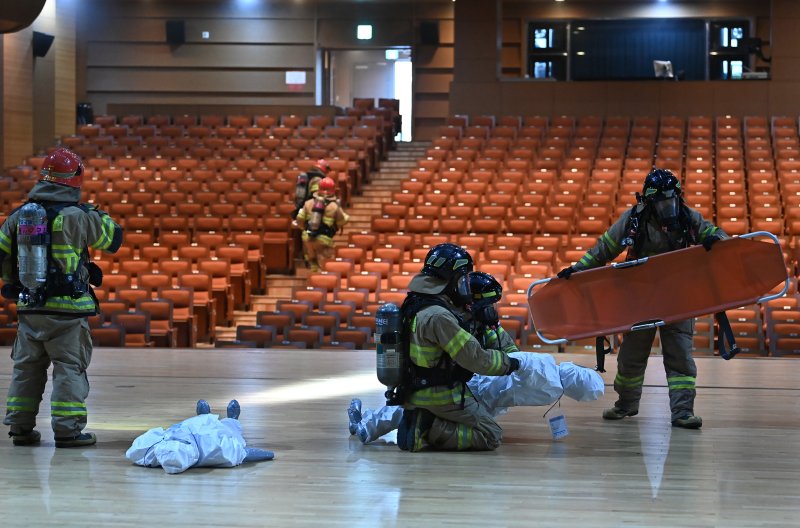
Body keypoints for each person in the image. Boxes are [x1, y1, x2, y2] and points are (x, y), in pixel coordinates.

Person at [557, 168, 727, 429]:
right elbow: (606, 247)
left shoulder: (686, 216)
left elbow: (713, 233)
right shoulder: (633, 219)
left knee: (680, 357)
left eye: (671, 200)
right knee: (631, 357)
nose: (668, 206)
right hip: (639, 299)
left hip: (678, 299)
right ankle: (625, 404)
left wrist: (716, 240)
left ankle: (682, 412)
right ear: (649, 201)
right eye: (662, 201)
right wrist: (578, 269)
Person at [347, 271, 604, 444]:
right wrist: (501, 356)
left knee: (413, 406)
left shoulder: (473, 321)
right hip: (460, 382)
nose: (493, 310)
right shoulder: (450, 321)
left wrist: (492, 330)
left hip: (472, 384)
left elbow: (508, 356)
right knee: (483, 433)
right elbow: (503, 360)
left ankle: (367, 425)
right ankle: (396, 428)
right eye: (489, 304)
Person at [0, 147, 123, 448]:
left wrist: (10, 283)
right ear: (76, 179)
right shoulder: (78, 216)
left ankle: (20, 428)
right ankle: (68, 431)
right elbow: (114, 238)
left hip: (30, 309)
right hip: (68, 313)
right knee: (69, 369)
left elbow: (1, 255)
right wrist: (93, 212)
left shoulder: (20, 216)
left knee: (26, 369)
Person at [375, 243, 521, 452]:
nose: (464, 286)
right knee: (490, 435)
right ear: (451, 279)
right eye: (462, 279)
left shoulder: (417, 302)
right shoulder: (439, 316)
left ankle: (425, 418)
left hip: (415, 388)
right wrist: (510, 363)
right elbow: (476, 358)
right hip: (439, 394)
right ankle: (426, 428)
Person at [125, 399, 275, 474]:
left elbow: (135, 449)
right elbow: (242, 454)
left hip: (186, 430)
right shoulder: (215, 452)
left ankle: (205, 416)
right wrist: (268, 454)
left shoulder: (152, 453)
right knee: (229, 431)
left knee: (199, 423)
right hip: (211, 437)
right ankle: (232, 419)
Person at [293, 176, 349, 272]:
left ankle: (313, 281)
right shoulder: (334, 206)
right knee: (323, 266)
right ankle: (320, 283)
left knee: (312, 263)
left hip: (307, 238)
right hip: (324, 240)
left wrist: (305, 229)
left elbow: (300, 219)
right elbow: (342, 221)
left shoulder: (308, 203)